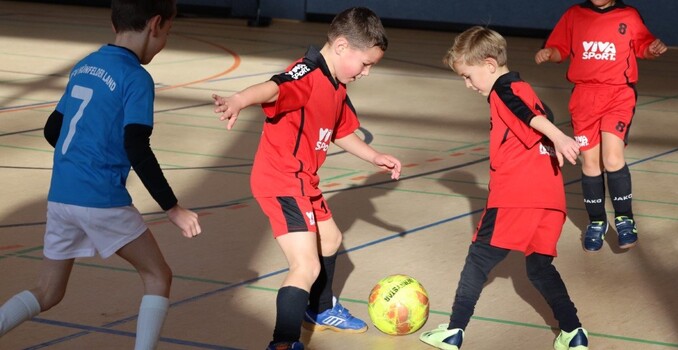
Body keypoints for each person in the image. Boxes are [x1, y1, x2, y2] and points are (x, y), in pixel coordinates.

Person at [0, 1, 202, 349]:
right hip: (101, 198)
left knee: (47, 291)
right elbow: (137, 147)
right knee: (157, 275)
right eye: (168, 31)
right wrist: (173, 208)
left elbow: (53, 130)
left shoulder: (85, 66)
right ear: (155, 25)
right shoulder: (136, 77)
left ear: (115, 24)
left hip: (62, 195)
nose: (165, 39)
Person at [211, 7, 401, 350]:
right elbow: (273, 88)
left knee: (330, 239)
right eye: (366, 64)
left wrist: (374, 156)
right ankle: (283, 343)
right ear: (341, 46)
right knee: (305, 265)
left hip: (303, 180)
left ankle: (320, 309)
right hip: (281, 178)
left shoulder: (337, 83)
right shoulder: (306, 73)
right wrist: (240, 99)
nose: (367, 73)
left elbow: (340, 130)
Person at [419, 26, 589, 350]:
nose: (468, 85)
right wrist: (558, 134)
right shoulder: (527, 89)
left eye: (468, 76)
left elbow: (526, 116)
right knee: (540, 268)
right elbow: (538, 116)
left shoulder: (503, 90)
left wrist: (559, 136)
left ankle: (454, 331)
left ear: (489, 65)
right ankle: (573, 332)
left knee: (478, 260)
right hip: (551, 201)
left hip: (515, 197)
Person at [535, 0, 667, 252]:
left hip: (618, 95)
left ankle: (625, 219)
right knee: (590, 163)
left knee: (613, 158)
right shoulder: (575, 15)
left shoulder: (627, 15)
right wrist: (549, 53)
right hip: (584, 98)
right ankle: (597, 222)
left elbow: (644, 45)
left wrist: (653, 48)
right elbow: (559, 48)